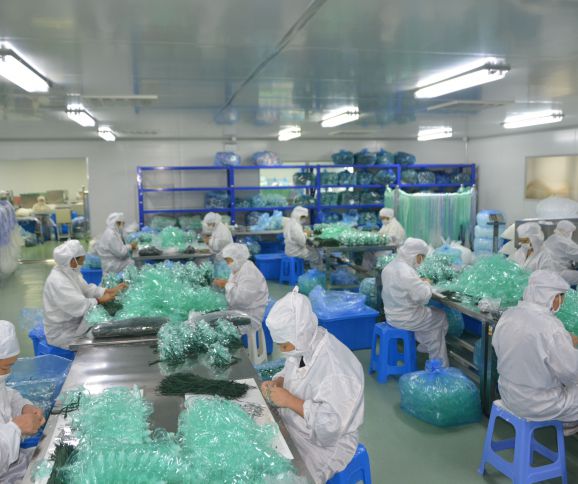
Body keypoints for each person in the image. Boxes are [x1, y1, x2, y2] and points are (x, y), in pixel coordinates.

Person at [261, 288, 364, 483]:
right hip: (298, 426)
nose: (282, 350)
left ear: (299, 333)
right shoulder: (307, 342)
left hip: (327, 446)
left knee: (287, 478)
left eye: (284, 345)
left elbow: (331, 427)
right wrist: (279, 381)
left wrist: (289, 401)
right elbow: (294, 367)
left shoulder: (335, 370)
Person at [493, 270, 578, 433]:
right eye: (561, 297)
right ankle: (567, 424)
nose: (561, 302)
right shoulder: (552, 327)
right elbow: (572, 372)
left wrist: (565, 340)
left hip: (507, 394)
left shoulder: (508, 315)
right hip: (538, 405)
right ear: (553, 297)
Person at [43, 240, 126, 349]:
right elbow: (78, 305)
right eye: (81, 259)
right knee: (102, 337)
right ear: (72, 260)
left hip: (73, 322)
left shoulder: (70, 271)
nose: (83, 262)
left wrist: (107, 291)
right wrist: (100, 300)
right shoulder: (58, 281)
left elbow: (86, 289)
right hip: (63, 332)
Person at [381, 237, 449, 366]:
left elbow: (406, 287)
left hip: (391, 315)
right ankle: (438, 364)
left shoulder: (390, 266)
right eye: (422, 257)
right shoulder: (407, 272)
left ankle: (427, 347)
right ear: (416, 256)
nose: (422, 261)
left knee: (433, 326)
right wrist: (427, 284)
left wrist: (419, 282)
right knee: (440, 316)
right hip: (407, 318)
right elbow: (422, 297)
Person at [0, 321, 45, 482]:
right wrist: (16, 428)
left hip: (12, 465)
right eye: (5, 368)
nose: (8, 372)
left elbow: (7, 395)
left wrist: (23, 407)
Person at [214, 243, 269, 326]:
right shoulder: (239, 268)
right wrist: (226, 284)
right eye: (226, 261)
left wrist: (226, 284)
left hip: (250, 315)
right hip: (242, 310)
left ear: (238, 258)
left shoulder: (249, 273)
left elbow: (243, 300)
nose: (228, 263)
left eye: (229, 260)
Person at [542, 220, 578, 285]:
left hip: (545, 274)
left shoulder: (551, 238)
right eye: (571, 232)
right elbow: (576, 254)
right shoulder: (563, 241)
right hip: (558, 273)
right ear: (567, 231)